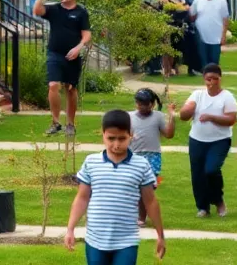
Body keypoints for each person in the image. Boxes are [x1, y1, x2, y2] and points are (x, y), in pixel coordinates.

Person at [66, 109, 167, 265]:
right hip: (95, 239)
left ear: (131, 134)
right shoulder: (91, 162)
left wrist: (160, 235)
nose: (116, 144)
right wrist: (70, 229)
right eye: (111, 138)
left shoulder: (141, 165)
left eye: (122, 138)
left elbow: (150, 202)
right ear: (103, 135)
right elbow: (82, 197)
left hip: (126, 240)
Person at [32, 0, 92, 137]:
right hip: (54, 53)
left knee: (70, 89)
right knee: (53, 85)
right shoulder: (54, 9)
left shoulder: (81, 12)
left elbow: (86, 35)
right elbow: (37, 11)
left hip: (72, 56)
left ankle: (70, 124)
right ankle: (55, 122)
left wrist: (78, 48)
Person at [179, 63, 237, 218]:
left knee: (211, 170)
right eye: (208, 79)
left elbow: (231, 119)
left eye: (215, 79)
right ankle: (203, 207)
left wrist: (211, 117)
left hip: (220, 140)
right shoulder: (197, 95)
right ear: (204, 79)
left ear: (220, 78)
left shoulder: (227, 97)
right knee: (197, 174)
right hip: (197, 140)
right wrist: (186, 110)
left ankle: (218, 201)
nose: (211, 82)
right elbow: (184, 115)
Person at [130, 89, 176, 225]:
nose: (143, 107)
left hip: (153, 157)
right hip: (135, 156)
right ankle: (140, 217)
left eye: (146, 104)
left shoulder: (158, 117)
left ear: (152, 104)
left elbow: (169, 134)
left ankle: (141, 218)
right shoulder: (129, 117)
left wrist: (172, 117)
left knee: (147, 188)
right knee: (137, 189)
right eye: (140, 104)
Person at [189, 0, 230, 69]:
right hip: (201, 35)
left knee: (214, 60)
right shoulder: (198, 0)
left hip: (215, 37)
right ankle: (204, 75)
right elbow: (192, 16)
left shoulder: (221, 2)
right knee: (203, 60)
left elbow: (225, 20)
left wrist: (223, 36)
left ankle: (214, 75)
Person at [157, 0, 192, 77]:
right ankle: (166, 70)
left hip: (179, 25)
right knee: (167, 48)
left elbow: (187, 7)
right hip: (167, 24)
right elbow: (166, 6)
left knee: (175, 48)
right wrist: (179, 6)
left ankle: (173, 68)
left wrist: (180, 6)